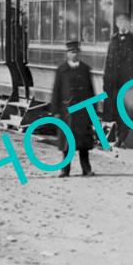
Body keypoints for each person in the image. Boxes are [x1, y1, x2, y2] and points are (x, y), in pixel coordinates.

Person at [50, 40, 97, 177]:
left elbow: (91, 91)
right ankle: (65, 170)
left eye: (76, 52)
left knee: (84, 144)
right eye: (71, 52)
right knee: (67, 143)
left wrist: (92, 112)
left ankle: (86, 169)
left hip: (83, 112)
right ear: (67, 54)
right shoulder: (61, 70)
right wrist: (56, 112)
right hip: (67, 112)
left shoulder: (85, 69)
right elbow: (56, 92)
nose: (74, 55)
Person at [103, 12, 133, 146]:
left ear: (128, 24)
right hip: (115, 81)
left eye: (125, 22)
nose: (122, 25)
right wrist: (106, 80)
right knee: (116, 110)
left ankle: (123, 138)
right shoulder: (113, 40)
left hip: (128, 81)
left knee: (126, 110)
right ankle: (117, 137)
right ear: (117, 24)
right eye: (120, 22)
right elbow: (108, 61)